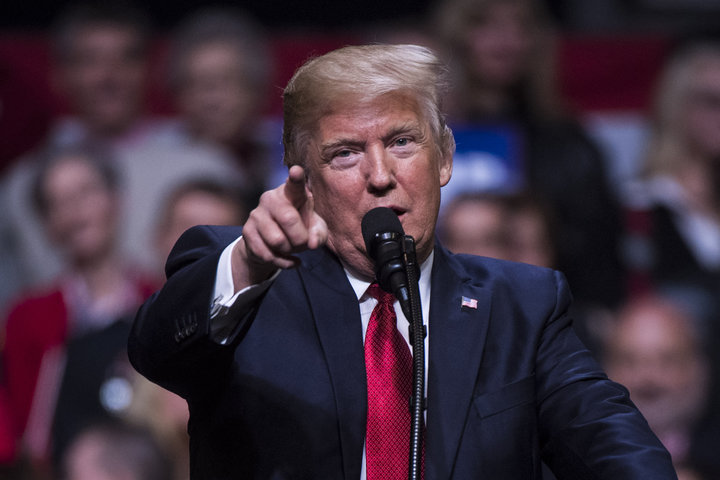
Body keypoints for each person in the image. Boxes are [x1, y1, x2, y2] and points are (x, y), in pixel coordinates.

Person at [128, 44, 676, 479]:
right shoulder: (249, 279)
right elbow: (155, 352)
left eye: (403, 142)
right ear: (305, 178)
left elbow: (610, 441)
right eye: (344, 152)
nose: (381, 175)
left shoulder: (522, 306)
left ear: (445, 159)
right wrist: (249, 263)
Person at [434, 0, 625, 310]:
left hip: (547, 312)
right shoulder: (423, 138)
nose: (506, 41)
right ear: (457, 36)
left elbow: (598, 255)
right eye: (485, 24)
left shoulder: (568, 144)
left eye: (521, 26)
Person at [3, 145, 156, 473]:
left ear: (116, 200)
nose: (74, 212)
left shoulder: (160, 297)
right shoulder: (28, 316)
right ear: (48, 226)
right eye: (57, 203)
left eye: (85, 192)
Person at [603, 295, 720, 479]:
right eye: (629, 361)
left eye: (667, 360)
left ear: (699, 369)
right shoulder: (572, 455)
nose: (647, 378)